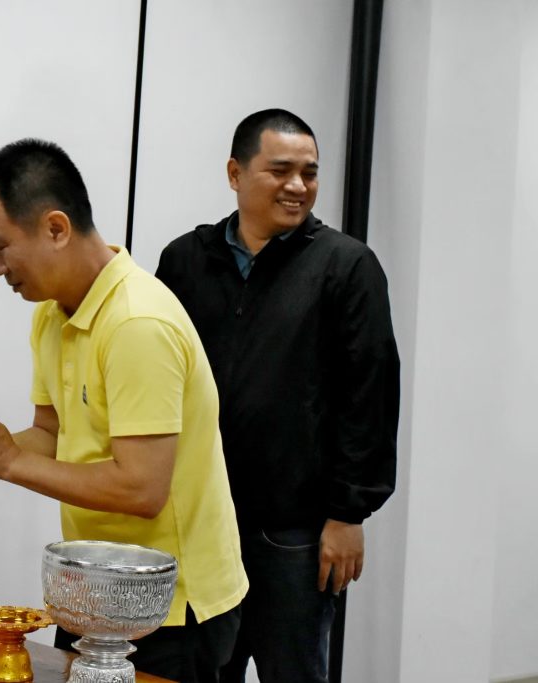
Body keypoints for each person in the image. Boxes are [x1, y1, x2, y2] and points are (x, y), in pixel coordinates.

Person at [0, 138, 248, 682]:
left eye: (1, 247)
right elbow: (50, 436)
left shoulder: (137, 323)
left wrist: (8, 460)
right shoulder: (52, 314)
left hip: (170, 609)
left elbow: (142, 490)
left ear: (56, 228)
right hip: (93, 593)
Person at [155, 109, 399, 683]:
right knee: (202, 670)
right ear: (235, 173)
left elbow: (370, 395)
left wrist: (348, 514)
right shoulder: (186, 261)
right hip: (200, 523)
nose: (298, 186)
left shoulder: (346, 266)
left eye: (310, 173)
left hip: (295, 533)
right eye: (281, 170)